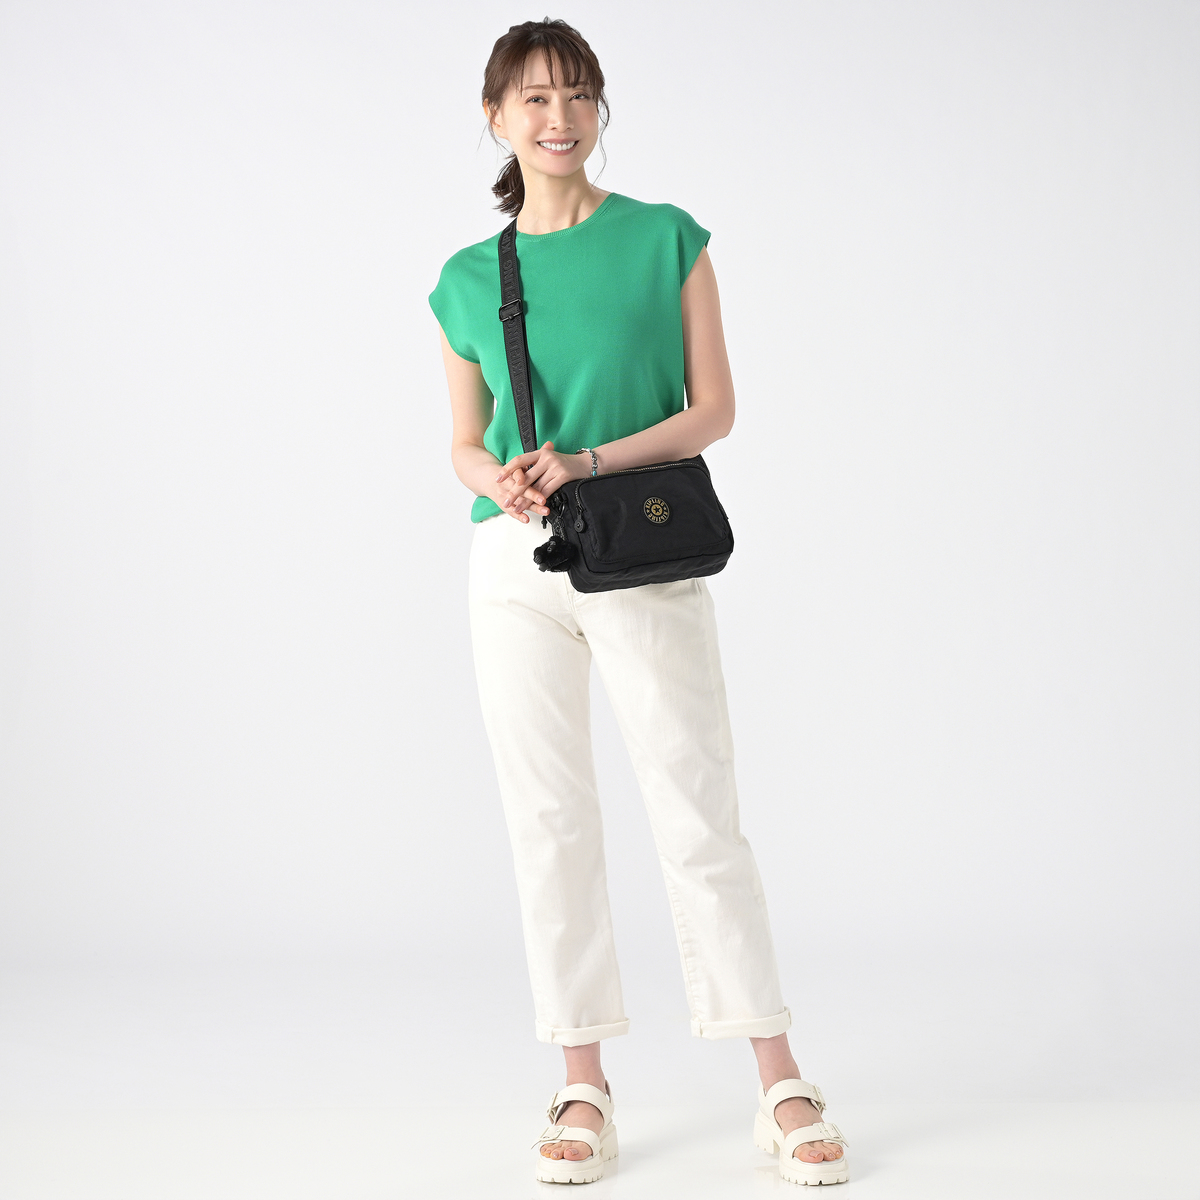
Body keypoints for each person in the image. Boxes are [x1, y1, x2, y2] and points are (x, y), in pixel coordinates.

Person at [428, 18, 850, 1188]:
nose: (558, 118)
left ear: (600, 108)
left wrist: (586, 462)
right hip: (512, 564)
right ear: (496, 119)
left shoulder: (667, 239)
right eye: (533, 99)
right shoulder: (466, 280)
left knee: (696, 809)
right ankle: (583, 1082)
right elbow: (461, 444)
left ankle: (778, 1077)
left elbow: (713, 410)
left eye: (577, 95)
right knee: (548, 822)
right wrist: (501, 480)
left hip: (638, 544)